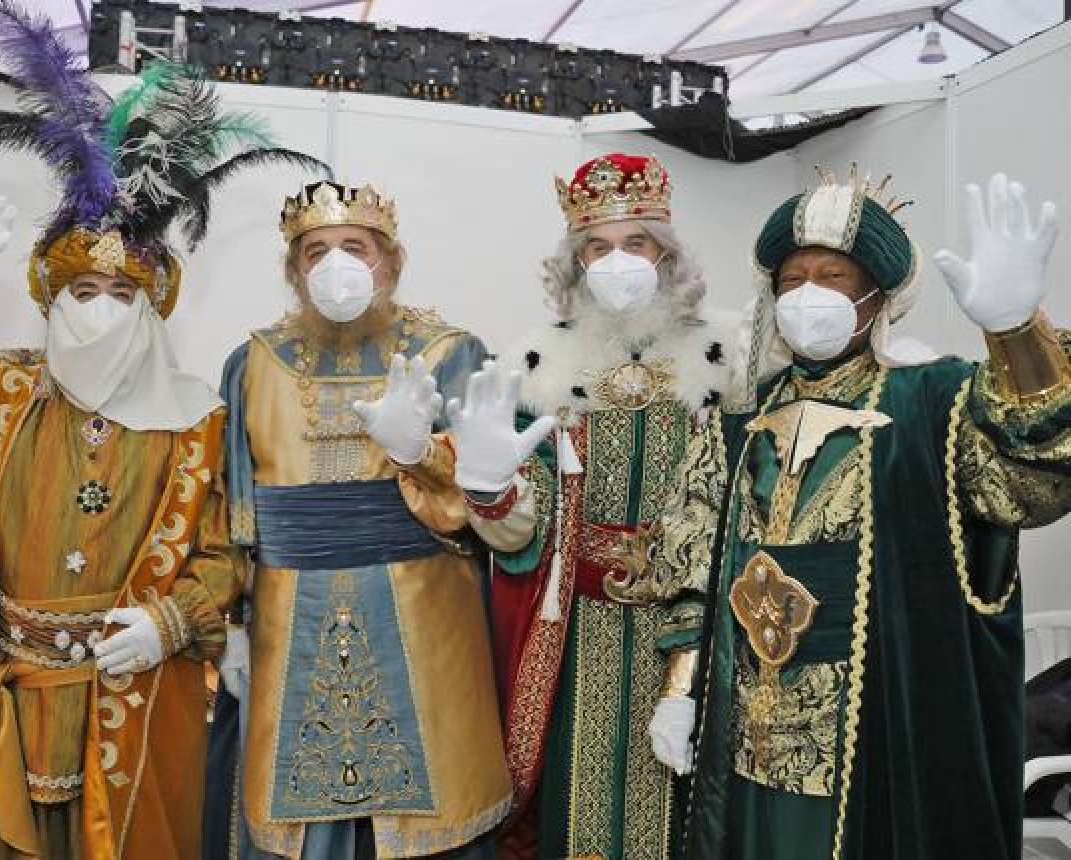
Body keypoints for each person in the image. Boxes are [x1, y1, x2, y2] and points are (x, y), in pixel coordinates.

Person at [0, 3, 319, 855]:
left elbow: (228, 548)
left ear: (153, 306)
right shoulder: (10, 393)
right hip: (10, 694)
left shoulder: (198, 416)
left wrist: (172, 622)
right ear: (51, 300)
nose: (99, 313)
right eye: (81, 294)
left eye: (122, 295)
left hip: (135, 687)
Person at [652, 166, 1067, 860]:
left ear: (877, 297)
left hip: (878, 715)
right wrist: (680, 690)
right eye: (792, 279)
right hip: (748, 718)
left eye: (832, 277)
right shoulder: (739, 419)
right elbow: (691, 561)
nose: (807, 293)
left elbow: (1035, 482)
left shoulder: (937, 398)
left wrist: (1016, 334)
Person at [205, 180, 510, 859]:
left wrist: (422, 453)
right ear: (294, 270)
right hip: (289, 618)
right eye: (316, 251)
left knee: (428, 796)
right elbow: (231, 510)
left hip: (424, 610)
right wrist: (228, 625)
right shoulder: (251, 362)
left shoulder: (448, 352)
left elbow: (485, 501)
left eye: (355, 248)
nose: (336, 265)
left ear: (391, 262)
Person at [445, 153, 737, 859]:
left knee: (690, 804)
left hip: (698, 618)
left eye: (634, 244)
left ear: (666, 256)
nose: (616, 262)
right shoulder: (539, 364)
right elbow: (526, 517)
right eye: (597, 248)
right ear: (573, 265)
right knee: (576, 800)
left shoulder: (727, 358)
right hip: (579, 621)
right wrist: (492, 490)